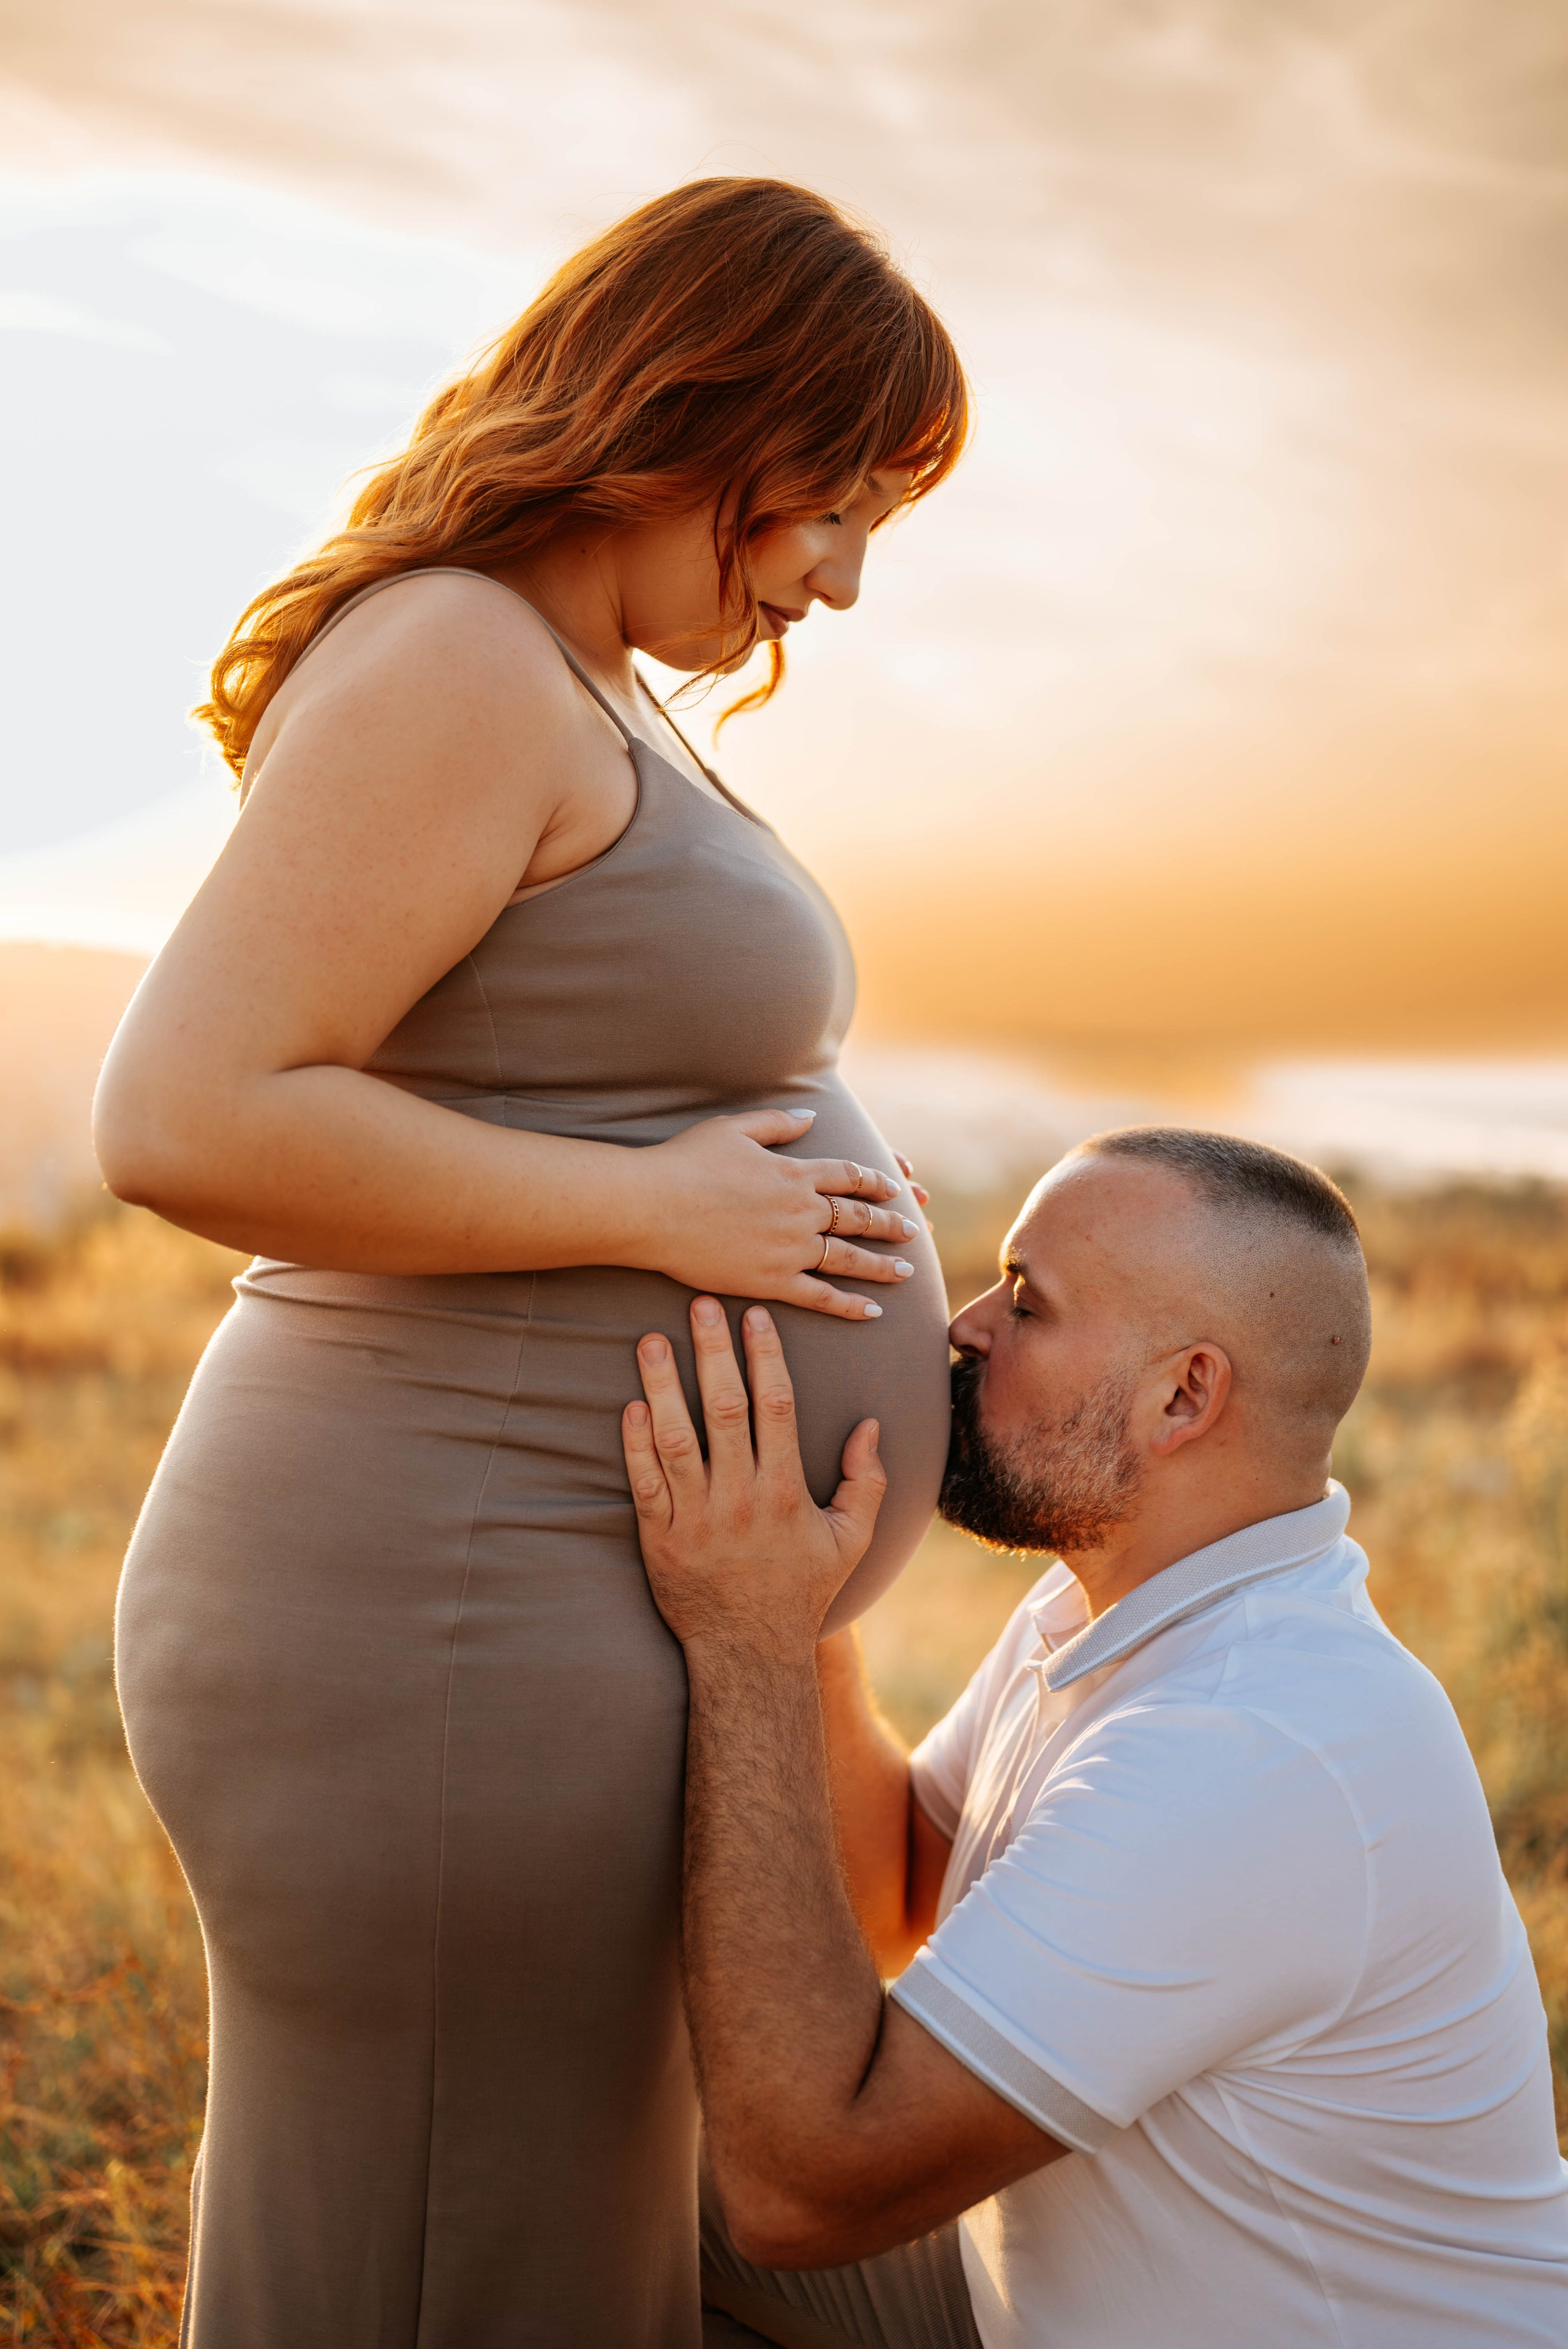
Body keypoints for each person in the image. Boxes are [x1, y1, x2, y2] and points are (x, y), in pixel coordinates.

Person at [94, 177, 966, 2347]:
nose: (840, 582)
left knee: (697, 2247)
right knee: (459, 2261)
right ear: (702, 411)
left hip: (589, 1601)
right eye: (831, 507)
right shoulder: (462, 657)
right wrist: (659, 1211)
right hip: (441, 1607)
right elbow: (182, 1114)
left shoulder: (586, 679)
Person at [622, 1126, 1568, 2349]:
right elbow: (895, 1891)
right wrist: (811, 1614)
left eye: (1025, 1302)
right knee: (610, 2188)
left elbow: (801, 2192)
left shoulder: (1252, 1745)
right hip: (1026, 2303)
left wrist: (741, 1640)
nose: (960, 1326)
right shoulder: (1119, 1597)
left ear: (1184, 1393)